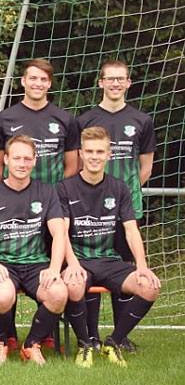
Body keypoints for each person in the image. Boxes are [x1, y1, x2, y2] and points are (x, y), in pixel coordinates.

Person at [0, 58, 79, 350]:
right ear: (23, 81)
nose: (38, 83)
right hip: (13, 202)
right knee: (9, 261)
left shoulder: (65, 119)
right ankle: (8, 336)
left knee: (48, 267)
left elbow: (71, 165)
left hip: (49, 205)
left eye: (43, 79)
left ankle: (44, 336)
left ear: (49, 83)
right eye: (33, 78)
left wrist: (51, 195)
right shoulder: (5, 118)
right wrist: (13, 192)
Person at [58, 126, 161, 368]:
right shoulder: (64, 188)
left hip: (110, 261)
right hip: (79, 260)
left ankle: (113, 341)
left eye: (99, 152)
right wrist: (72, 264)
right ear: (81, 154)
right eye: (89, 151)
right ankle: (85, 344)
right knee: (73, 285)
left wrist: (142, 266)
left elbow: (131, 230)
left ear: (109, 155)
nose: (94, 157)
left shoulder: (119, 188)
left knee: (149, 287)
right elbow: (61, 232)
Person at [76, 60, 156, 352]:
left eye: (120, 79)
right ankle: (92, 335)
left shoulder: (141, 120)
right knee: (91, 263)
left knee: (122, 268)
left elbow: (145, 167)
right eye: (109, 79)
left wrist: (123, 195)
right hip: (91, 211)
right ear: (101, 83)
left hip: (126, 207)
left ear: (128, 83)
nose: (115, 84)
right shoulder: (85, 120)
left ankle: (120, 336)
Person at [0, 135, 72, 365]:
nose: (21, 164)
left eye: (27, 159)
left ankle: (31, 344)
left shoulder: (46, 192)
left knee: (59, 294)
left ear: (34, 161)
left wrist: (54, 268)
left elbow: (59, 233)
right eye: (16, 158)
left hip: (36, 264)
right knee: (2, 296)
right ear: (6, 160)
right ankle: (1, 343)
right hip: (4, 263)